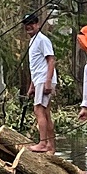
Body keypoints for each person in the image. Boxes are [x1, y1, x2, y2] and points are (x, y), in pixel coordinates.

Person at [23, 12, 57, 153]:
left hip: (44, 79)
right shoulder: (33, 41)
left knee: (38, 110)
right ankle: (50, 146)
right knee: (46, 112)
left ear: (37, 24)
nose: (29, 26)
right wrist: (32, 86)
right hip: (39, 79)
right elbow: (36, 66)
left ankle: (42, 143)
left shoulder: (42, 40)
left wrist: (48, 81)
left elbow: (51, 60)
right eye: (26, 24)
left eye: (31, 23)